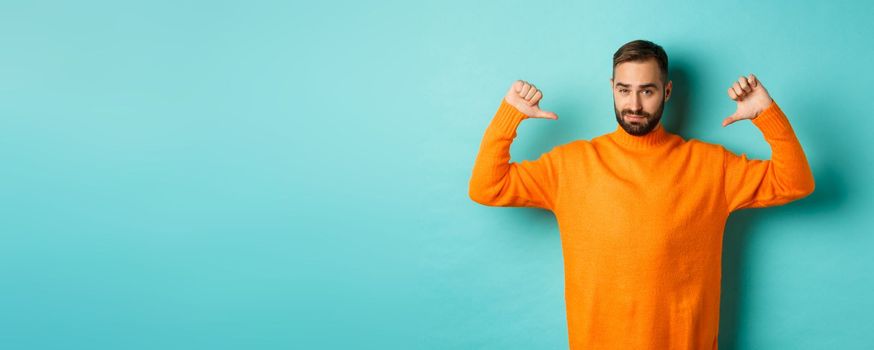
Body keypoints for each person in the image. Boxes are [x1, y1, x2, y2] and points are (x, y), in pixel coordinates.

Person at [468, 39, 815, 350]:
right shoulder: (569, 165)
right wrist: (508, 117)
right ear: (612, 88)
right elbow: (487, 186)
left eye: (647, 91)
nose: (634, 104)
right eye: (624, 90)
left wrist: (768, 116)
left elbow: (795, 181)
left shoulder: (712, 166)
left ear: (666, 91)